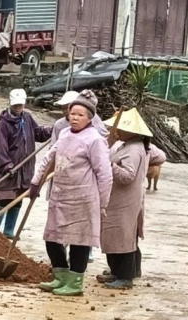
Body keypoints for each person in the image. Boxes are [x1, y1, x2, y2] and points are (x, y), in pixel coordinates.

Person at [29, 90, 113, 297]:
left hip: (83, 198)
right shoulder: (65, 134)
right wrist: (35, 183)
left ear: (90, 118)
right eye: (72, 113)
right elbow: (49, 158)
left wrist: (102, 204)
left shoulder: (94, 139)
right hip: (61, 194)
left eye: (80, 115)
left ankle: (75, 282)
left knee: (79, 240)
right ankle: (60, 276)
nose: (75, 118)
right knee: (52, 238)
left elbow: (105, 174)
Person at [97, 109, 153, 290]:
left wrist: (110, 165)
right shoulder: (128, 145)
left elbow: (127, 176)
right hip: (119, 199)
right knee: (117, 236)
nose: (117, 130)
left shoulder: (134, 149)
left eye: (121, 128)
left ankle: (125, 276)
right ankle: (118, 272)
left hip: (124, 201)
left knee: (123, 237)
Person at [0, 89, 52, 239]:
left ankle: (9, 231)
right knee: (5, 198)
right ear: (10, 104)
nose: (18, 108)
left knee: (18, 198)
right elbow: (0, 147)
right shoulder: (3, 123)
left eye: (20, 105)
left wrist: (51, 130)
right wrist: (7, 165)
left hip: (25, 168)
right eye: (16, 105)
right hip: (9, 169)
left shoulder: (27, 118)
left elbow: (37, 133)